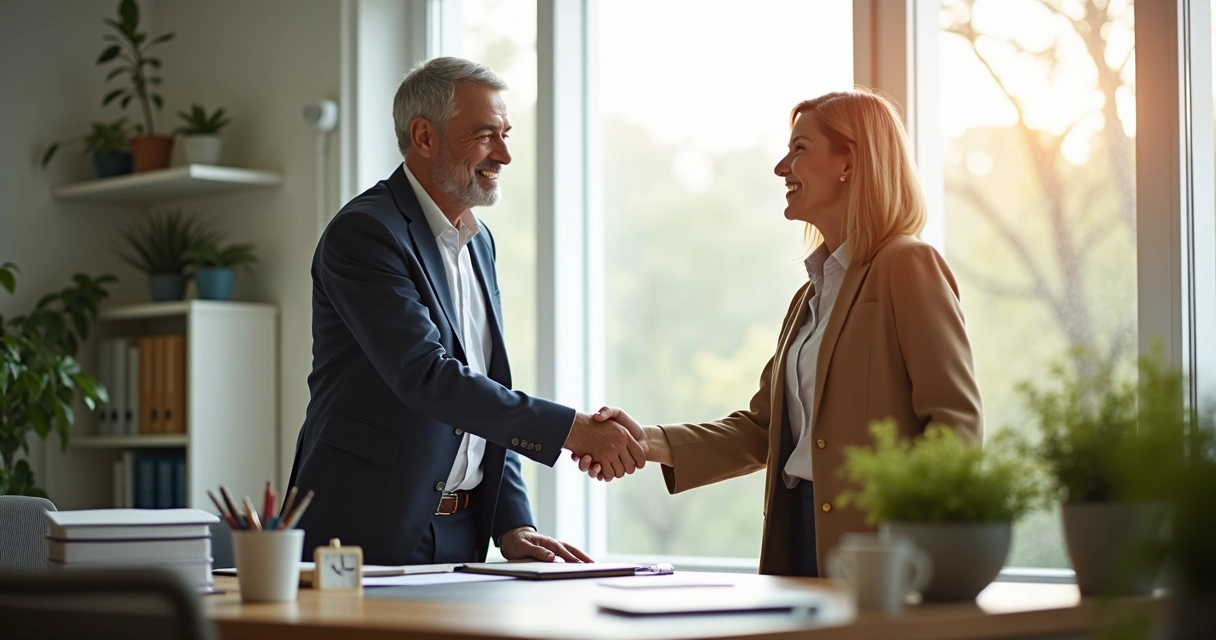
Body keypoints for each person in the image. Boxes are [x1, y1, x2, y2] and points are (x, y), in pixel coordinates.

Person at [579, 89, 983, 577]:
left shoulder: (907, 264)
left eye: (799, 149)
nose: (780, 167)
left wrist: (915, 548)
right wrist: (643, 441)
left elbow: (955, 424)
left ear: (848, 163)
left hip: (881, 548)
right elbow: (762, 430)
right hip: (797, 532)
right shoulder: (808, 299)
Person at [288, 57, 647, 566]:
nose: (503, 154)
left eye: (505, 134)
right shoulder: (366, 234)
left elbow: (484, 383)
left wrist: (512, 523)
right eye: (485, 135)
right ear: (424, 136)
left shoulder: (479, 243)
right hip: (362, 530)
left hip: (462, 531)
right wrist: (574, 430)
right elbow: (428, 377)